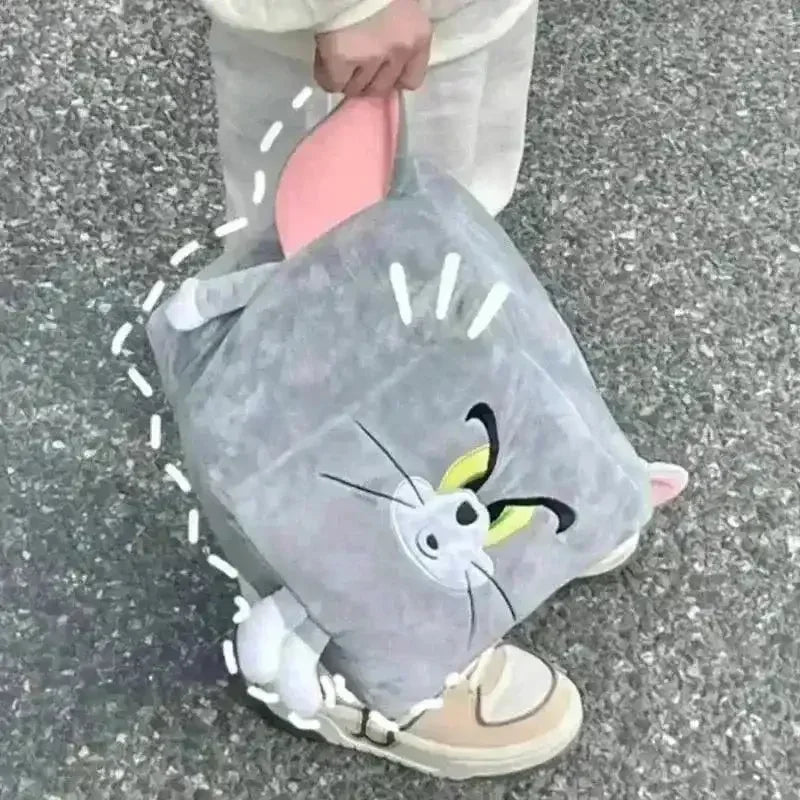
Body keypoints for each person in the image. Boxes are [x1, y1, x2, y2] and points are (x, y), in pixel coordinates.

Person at [198, 0, 587, 778]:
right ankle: (345, 651)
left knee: (445, 248)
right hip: (343, 33)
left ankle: (481, 509)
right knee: (321, 293)